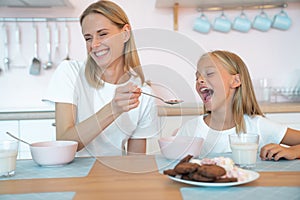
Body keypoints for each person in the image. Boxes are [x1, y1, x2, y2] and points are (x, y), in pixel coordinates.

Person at [43, 0, 158, 156]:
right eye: (88, 38)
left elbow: (135, 162)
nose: (94, 44)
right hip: (72, 176)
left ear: (125, 33)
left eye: (102, 34)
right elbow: (64, 142)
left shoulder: (143, 93)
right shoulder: (70, 72)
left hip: (114, 177)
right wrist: (113, 109)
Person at [175, 50, 300, 161]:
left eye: (209, 73)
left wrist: (293, 151)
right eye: (197, 77)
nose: (199, 80)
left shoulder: (257, 125)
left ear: (235, 81)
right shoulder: (190, 128)